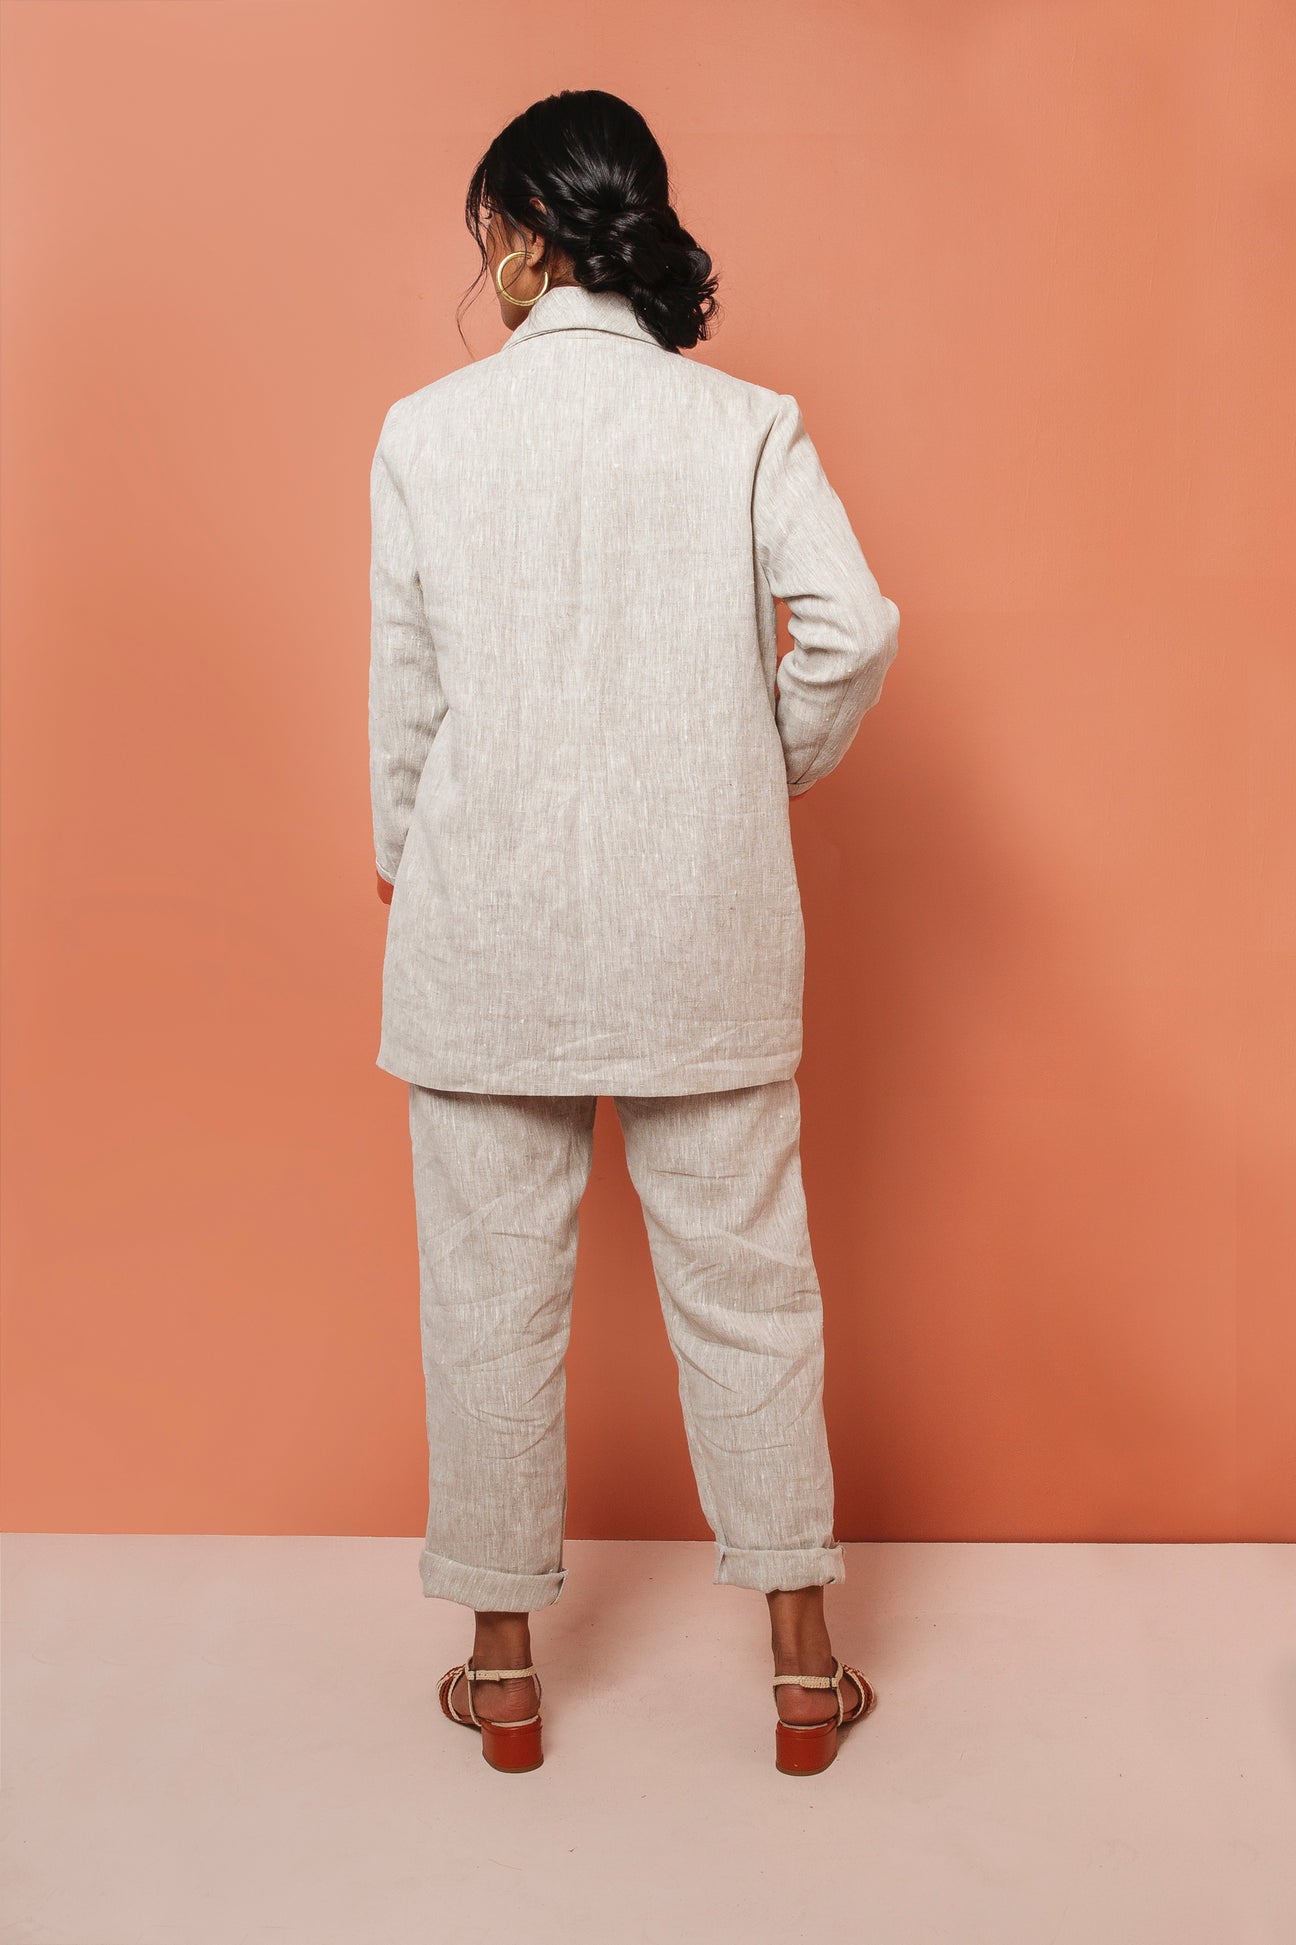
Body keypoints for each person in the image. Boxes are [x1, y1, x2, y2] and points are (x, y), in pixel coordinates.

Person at [368, 89, 900, 1775]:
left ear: (527, 232)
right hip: (703, 926)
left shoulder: (426, 432)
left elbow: (407, 696)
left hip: (488, 927)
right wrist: (756, 766)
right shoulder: (744, 422)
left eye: (494, 233)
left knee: (488, 1300)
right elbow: (854, 629)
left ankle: (503, 1674)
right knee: (753, 1295)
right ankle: (803, 1673)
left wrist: (405, 858)